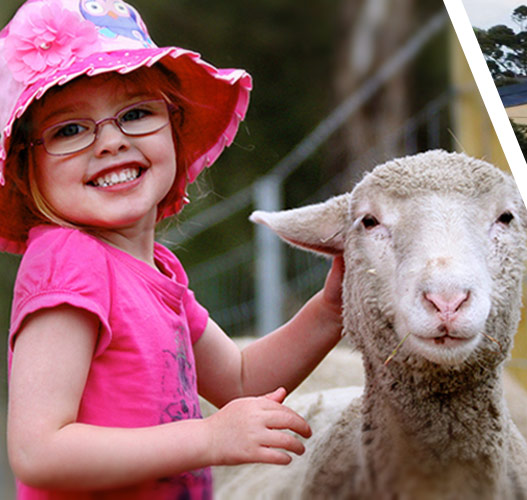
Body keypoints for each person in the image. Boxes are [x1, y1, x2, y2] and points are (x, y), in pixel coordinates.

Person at [0, 1, 344, 498]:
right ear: (26, 170)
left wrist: (331, 310)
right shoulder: (68, 262)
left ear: (174, 127)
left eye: (136, 113)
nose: (111, 142)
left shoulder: (156, 272)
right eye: (69, 129)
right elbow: (39, 452)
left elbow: (242, 380)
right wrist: (208, 437)